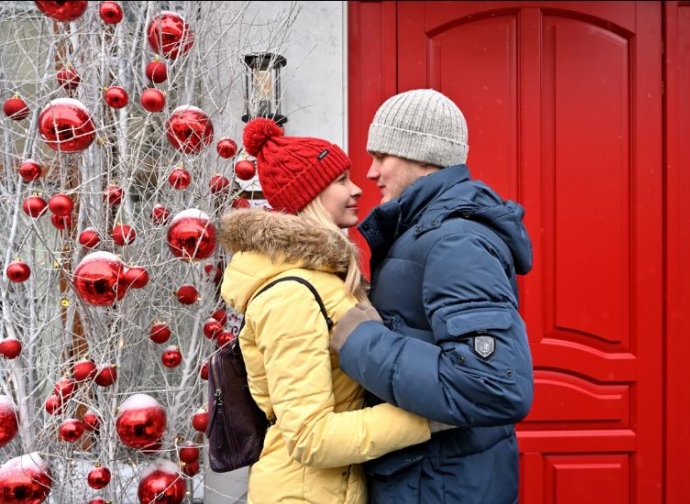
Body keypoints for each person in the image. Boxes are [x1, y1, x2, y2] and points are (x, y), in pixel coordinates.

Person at [330, 89, 535, 504]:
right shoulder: (424, 233)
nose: (370, 173)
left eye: (382, 156)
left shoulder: (454, 242)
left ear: (423, 156)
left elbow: (494, 385)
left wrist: (361, 340)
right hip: (431, 480)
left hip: (442, 486)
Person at [218, 117, 433, 504]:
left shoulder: (323, 278)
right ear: (310, 194)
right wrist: (431, 417)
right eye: (340, 180)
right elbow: (309, 437)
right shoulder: (292, 294)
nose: (356, 189)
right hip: (300, 493)